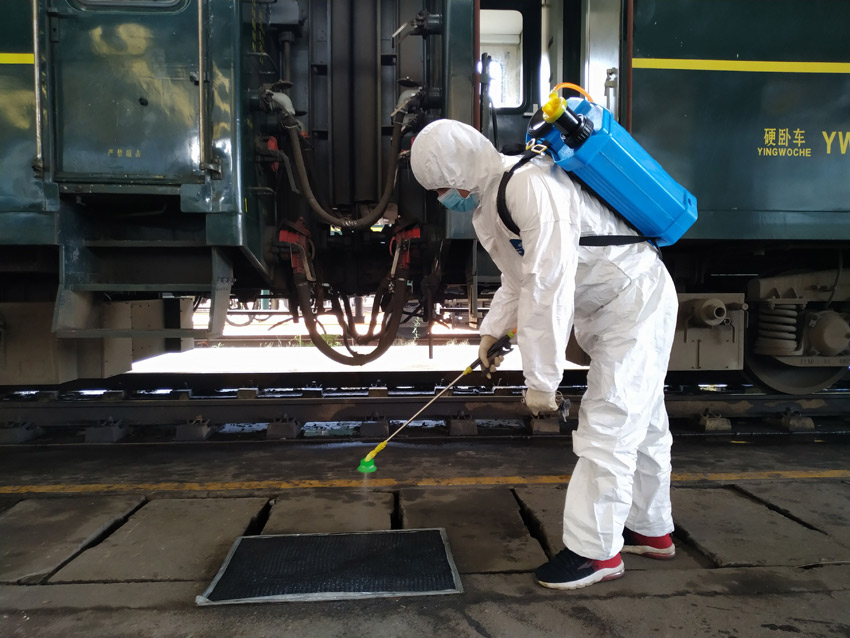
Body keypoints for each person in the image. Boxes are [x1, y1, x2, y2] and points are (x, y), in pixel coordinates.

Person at [410, 119, 679, 590]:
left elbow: (548, 285)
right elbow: (519, 279)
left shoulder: (529, 185)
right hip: (606, 306)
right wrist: (493, 332)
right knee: (644, 420)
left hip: (634, 301)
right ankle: (650, 530)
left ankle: (596, 553)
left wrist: (541, 381)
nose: (443, 198)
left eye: (442, 188)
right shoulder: (490, 201)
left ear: (462, 169)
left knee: (610, 422)